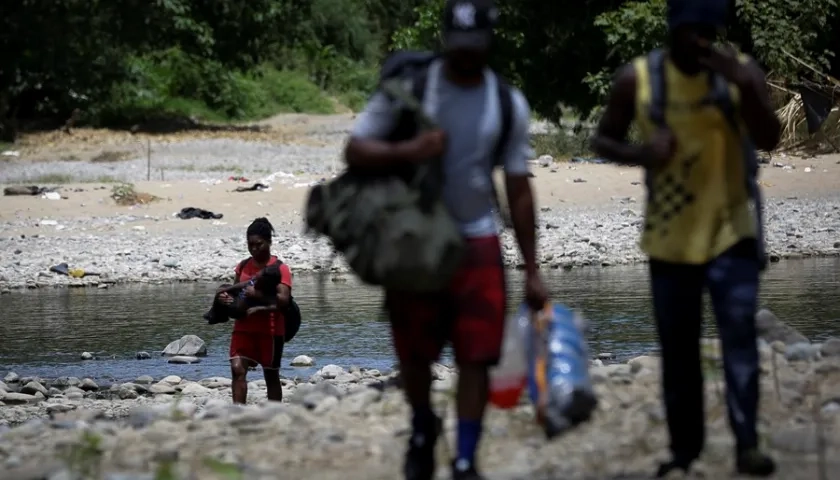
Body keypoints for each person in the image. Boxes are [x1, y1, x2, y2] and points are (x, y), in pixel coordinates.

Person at [345, 1, 547, 479]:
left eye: (474, 47)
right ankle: (421, 425)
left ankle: (465, 458)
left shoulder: (506, 101)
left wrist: (533, 267)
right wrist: (411, 149)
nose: (466, 56)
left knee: (477, 356)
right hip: (414, 243)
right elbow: (355, 149)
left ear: (487, 43)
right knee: (415, 354)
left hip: (478, 242)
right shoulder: (411, 87)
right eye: (458, 47)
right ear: (445, 42)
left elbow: (518, 188)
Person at [590, 0, 780, 477]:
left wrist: (748, 86)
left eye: (708, 31)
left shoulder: (737, 75)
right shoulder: (639, 79)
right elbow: (602, 140)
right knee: (678, 353)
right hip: (669, 240)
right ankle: (684, 451)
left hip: (731, 233)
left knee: (739, 340)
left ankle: (747, 445)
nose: (700, 41)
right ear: (673, 30)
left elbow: (771, 138)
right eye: (691, 32)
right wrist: (642, 152)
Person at [218, 217, 293, 404]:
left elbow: (284, 300)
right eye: (250, 245)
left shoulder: (280, 269)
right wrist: (227, 299)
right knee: (237, 370)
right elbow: (236, 294)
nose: (253, 249)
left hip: (271, 331)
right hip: (243, 328)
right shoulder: (243, 266)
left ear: (269, 242)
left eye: (258, 244)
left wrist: (257, 295)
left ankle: (274, 416)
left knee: (271, 376)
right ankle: (238, 414)